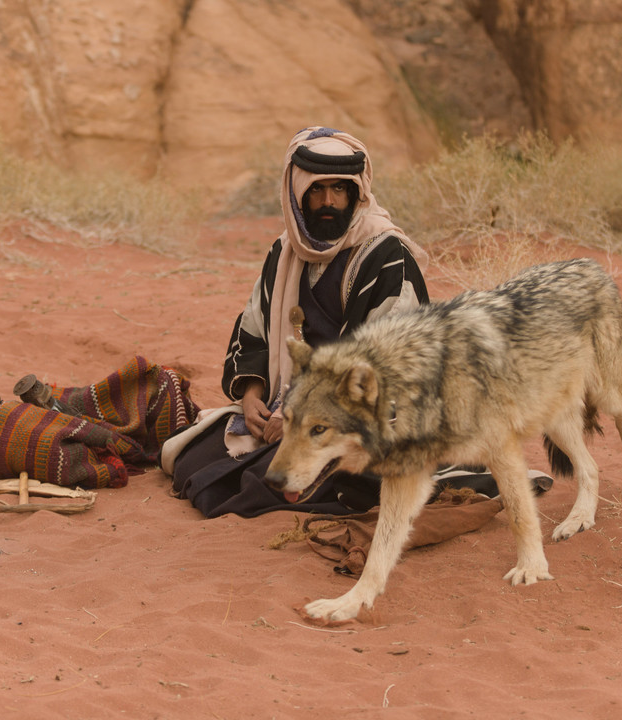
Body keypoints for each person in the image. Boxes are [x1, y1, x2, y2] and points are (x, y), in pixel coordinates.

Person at [158, 126, 433, 518]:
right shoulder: (286, 252)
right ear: (296, 193)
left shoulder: (385, 257)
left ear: (356, 193)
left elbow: (384, 372)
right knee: (187, 460)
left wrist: (298, 416)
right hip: (281, 410)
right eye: (316, 190)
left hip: (358, 426)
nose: (328, 202)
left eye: (339, 190)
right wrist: (253, 397)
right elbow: (253, 332)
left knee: (245, 484)